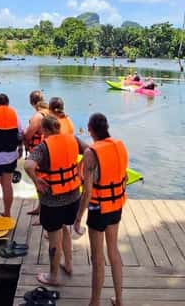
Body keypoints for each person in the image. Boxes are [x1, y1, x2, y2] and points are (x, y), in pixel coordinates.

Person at [24, 115, 88, 286]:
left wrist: (36, 180)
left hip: (52, 200)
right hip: (73, 195)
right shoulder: (73, 140)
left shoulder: (43, 147)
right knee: (65, 229)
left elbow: (28, 165)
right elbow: (90, 151)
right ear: (58, 128)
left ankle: (54, 276)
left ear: (44, 130)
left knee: (53, 236)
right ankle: (68, 264)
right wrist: (80, 170)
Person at [75, 113, 128, 306]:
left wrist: (78, 217)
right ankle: (119, 299)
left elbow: (87, 192)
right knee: (113, 251)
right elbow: (125, 178)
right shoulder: (120, 145)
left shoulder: (91, 153)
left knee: (97, 258)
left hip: (98, 209)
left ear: (90, 130)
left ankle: (94, 302)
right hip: (116, 206)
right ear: (107, 127)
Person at [23, 90, 50, 216]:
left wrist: (24, 140)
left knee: (39, 180)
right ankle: (42, 207)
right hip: (50, 150)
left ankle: (42, 210)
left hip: (40, 152)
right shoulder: (50, 113)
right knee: (46, 179)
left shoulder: (38, 116)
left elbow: (28, 135)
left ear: (31, 102)